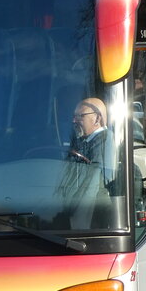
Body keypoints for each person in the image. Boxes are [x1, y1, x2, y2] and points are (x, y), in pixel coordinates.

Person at [57, 97, 116, 227]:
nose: (74, 121)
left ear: (97, 119)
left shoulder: (105, 140)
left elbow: (94, 180)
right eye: (74, 116)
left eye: (80, 116)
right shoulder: (85, 141)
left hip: (93, 212)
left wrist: (78, 218)